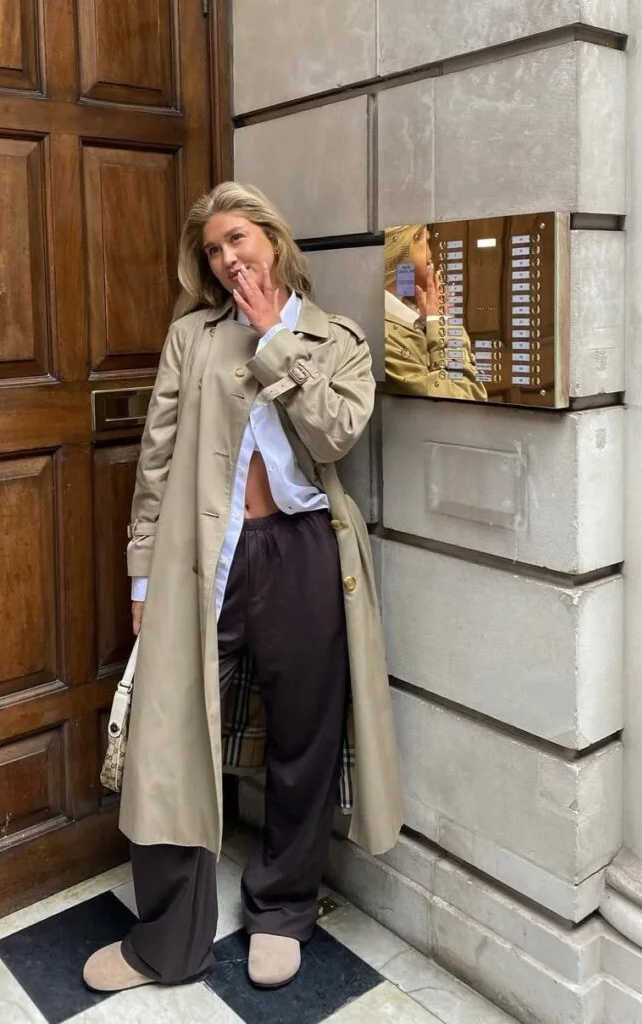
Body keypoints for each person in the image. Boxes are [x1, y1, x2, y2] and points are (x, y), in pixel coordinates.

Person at [83, 182, 403, 994]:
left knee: (305, 737)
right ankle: (168, 940)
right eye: (214, 251)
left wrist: (272, 336)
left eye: (238, 239)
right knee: (172, 738)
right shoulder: (191, 339)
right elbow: (154, 466)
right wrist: (143, 577)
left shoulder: (339, 340)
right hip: (205, 561)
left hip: (302, 555)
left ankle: (283, 909)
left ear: (273, 237)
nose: (229, 258)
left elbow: (336, 433)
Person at [384, 224, 487, 401]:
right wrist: (442, 325)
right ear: (404, 250)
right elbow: (469, 401)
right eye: (426, 240)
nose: (431, 255)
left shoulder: (410, 313)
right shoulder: (384, 336)